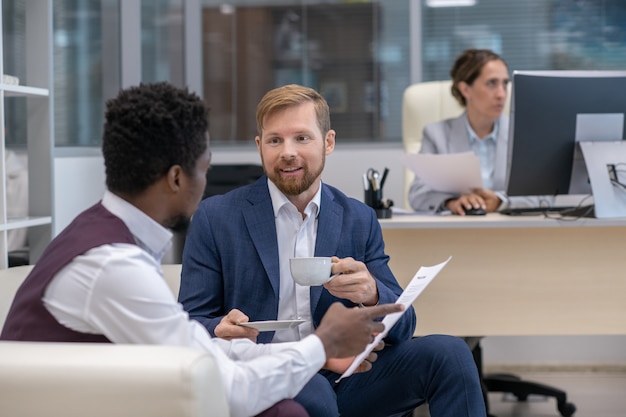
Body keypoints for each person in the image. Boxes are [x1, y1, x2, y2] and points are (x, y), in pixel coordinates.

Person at [0, 82, 404, 417]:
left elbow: (196, 351)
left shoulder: (101, 236)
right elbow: (218, 384)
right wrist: (320, 345)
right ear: (178, 178)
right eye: (206, 167)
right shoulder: (113, 265)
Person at [178, 84, 487, 417]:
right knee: (313, 394)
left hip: (347, 376)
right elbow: (188, 322)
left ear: (328, 142)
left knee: (450, 353)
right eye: (275, 140)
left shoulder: (358, 217)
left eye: (302, 138)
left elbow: (403, 326)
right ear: (259, 147)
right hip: (266, 375)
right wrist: (218, 329)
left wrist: (371, 294)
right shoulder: (216, 217)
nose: (287, 152)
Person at [407, 48, 543, 215]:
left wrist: (501, 202)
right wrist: (451, 202)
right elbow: (418, 194)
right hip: (458, 233)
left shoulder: (522, 134)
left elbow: (543, 196)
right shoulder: (436, 134)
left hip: (510, 233)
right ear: (465, 90)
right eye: (492, 83)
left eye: (505, 84)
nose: (502, 94)